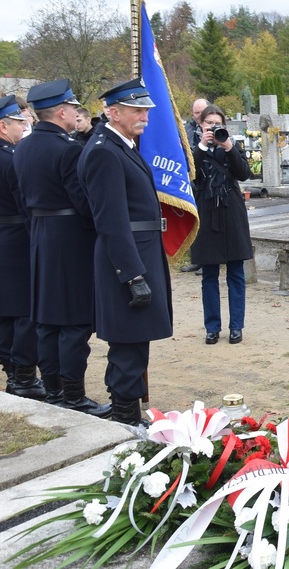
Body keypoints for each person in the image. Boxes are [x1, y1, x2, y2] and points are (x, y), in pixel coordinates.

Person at [78, 78, 173, 426]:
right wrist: (132, 275)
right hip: (127, 261)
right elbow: (110, 220)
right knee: (127, 343)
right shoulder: (104, 150)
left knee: (134, 341)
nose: (144, 115)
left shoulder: (121, 145)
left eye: (145, 109)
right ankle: (124, 416)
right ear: (112, 112)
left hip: (139, 253)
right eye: (137, 109)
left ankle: (128, 411)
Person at [14, 79, 109, 416]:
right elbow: (84, 203)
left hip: (40, 237)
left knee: (47, 321)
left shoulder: (22, 148)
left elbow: (22, 200)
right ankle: (73, 394)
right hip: (69, 240)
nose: (75, 113)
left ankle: (53, 389)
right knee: (73, 323)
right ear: (62, 111)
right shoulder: (68, 149)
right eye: (72, 107)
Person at [189, 105, 253, 345]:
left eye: (217, 125)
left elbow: (244, 173)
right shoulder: (195, 148)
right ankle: (212, 327)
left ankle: (236, 326)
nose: (213, 129)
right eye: (209, 125)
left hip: (231, 210)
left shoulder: (232, 144)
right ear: (201, 126)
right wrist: (203, 146)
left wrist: (229, 148)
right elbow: (192, 174)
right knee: (209, 273)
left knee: (236, 272)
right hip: (206, 210)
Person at [0, 96, 44, 400]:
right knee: (25, 311)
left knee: (5, 312)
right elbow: (24, 203)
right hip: (16, 239)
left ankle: (12, 371)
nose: (24, 125)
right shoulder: (11, 158)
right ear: (3, 126)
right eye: (18, 122)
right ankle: (23, 376)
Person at [180, 98, 209, 274]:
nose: (199, 115)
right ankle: (196, 259)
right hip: (192, 180)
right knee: (193, 221)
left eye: (202, 112)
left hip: (209, 181)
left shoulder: (214, 127)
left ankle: (208, 260)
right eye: (196, 112)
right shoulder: (187, 130)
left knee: (207, 223)